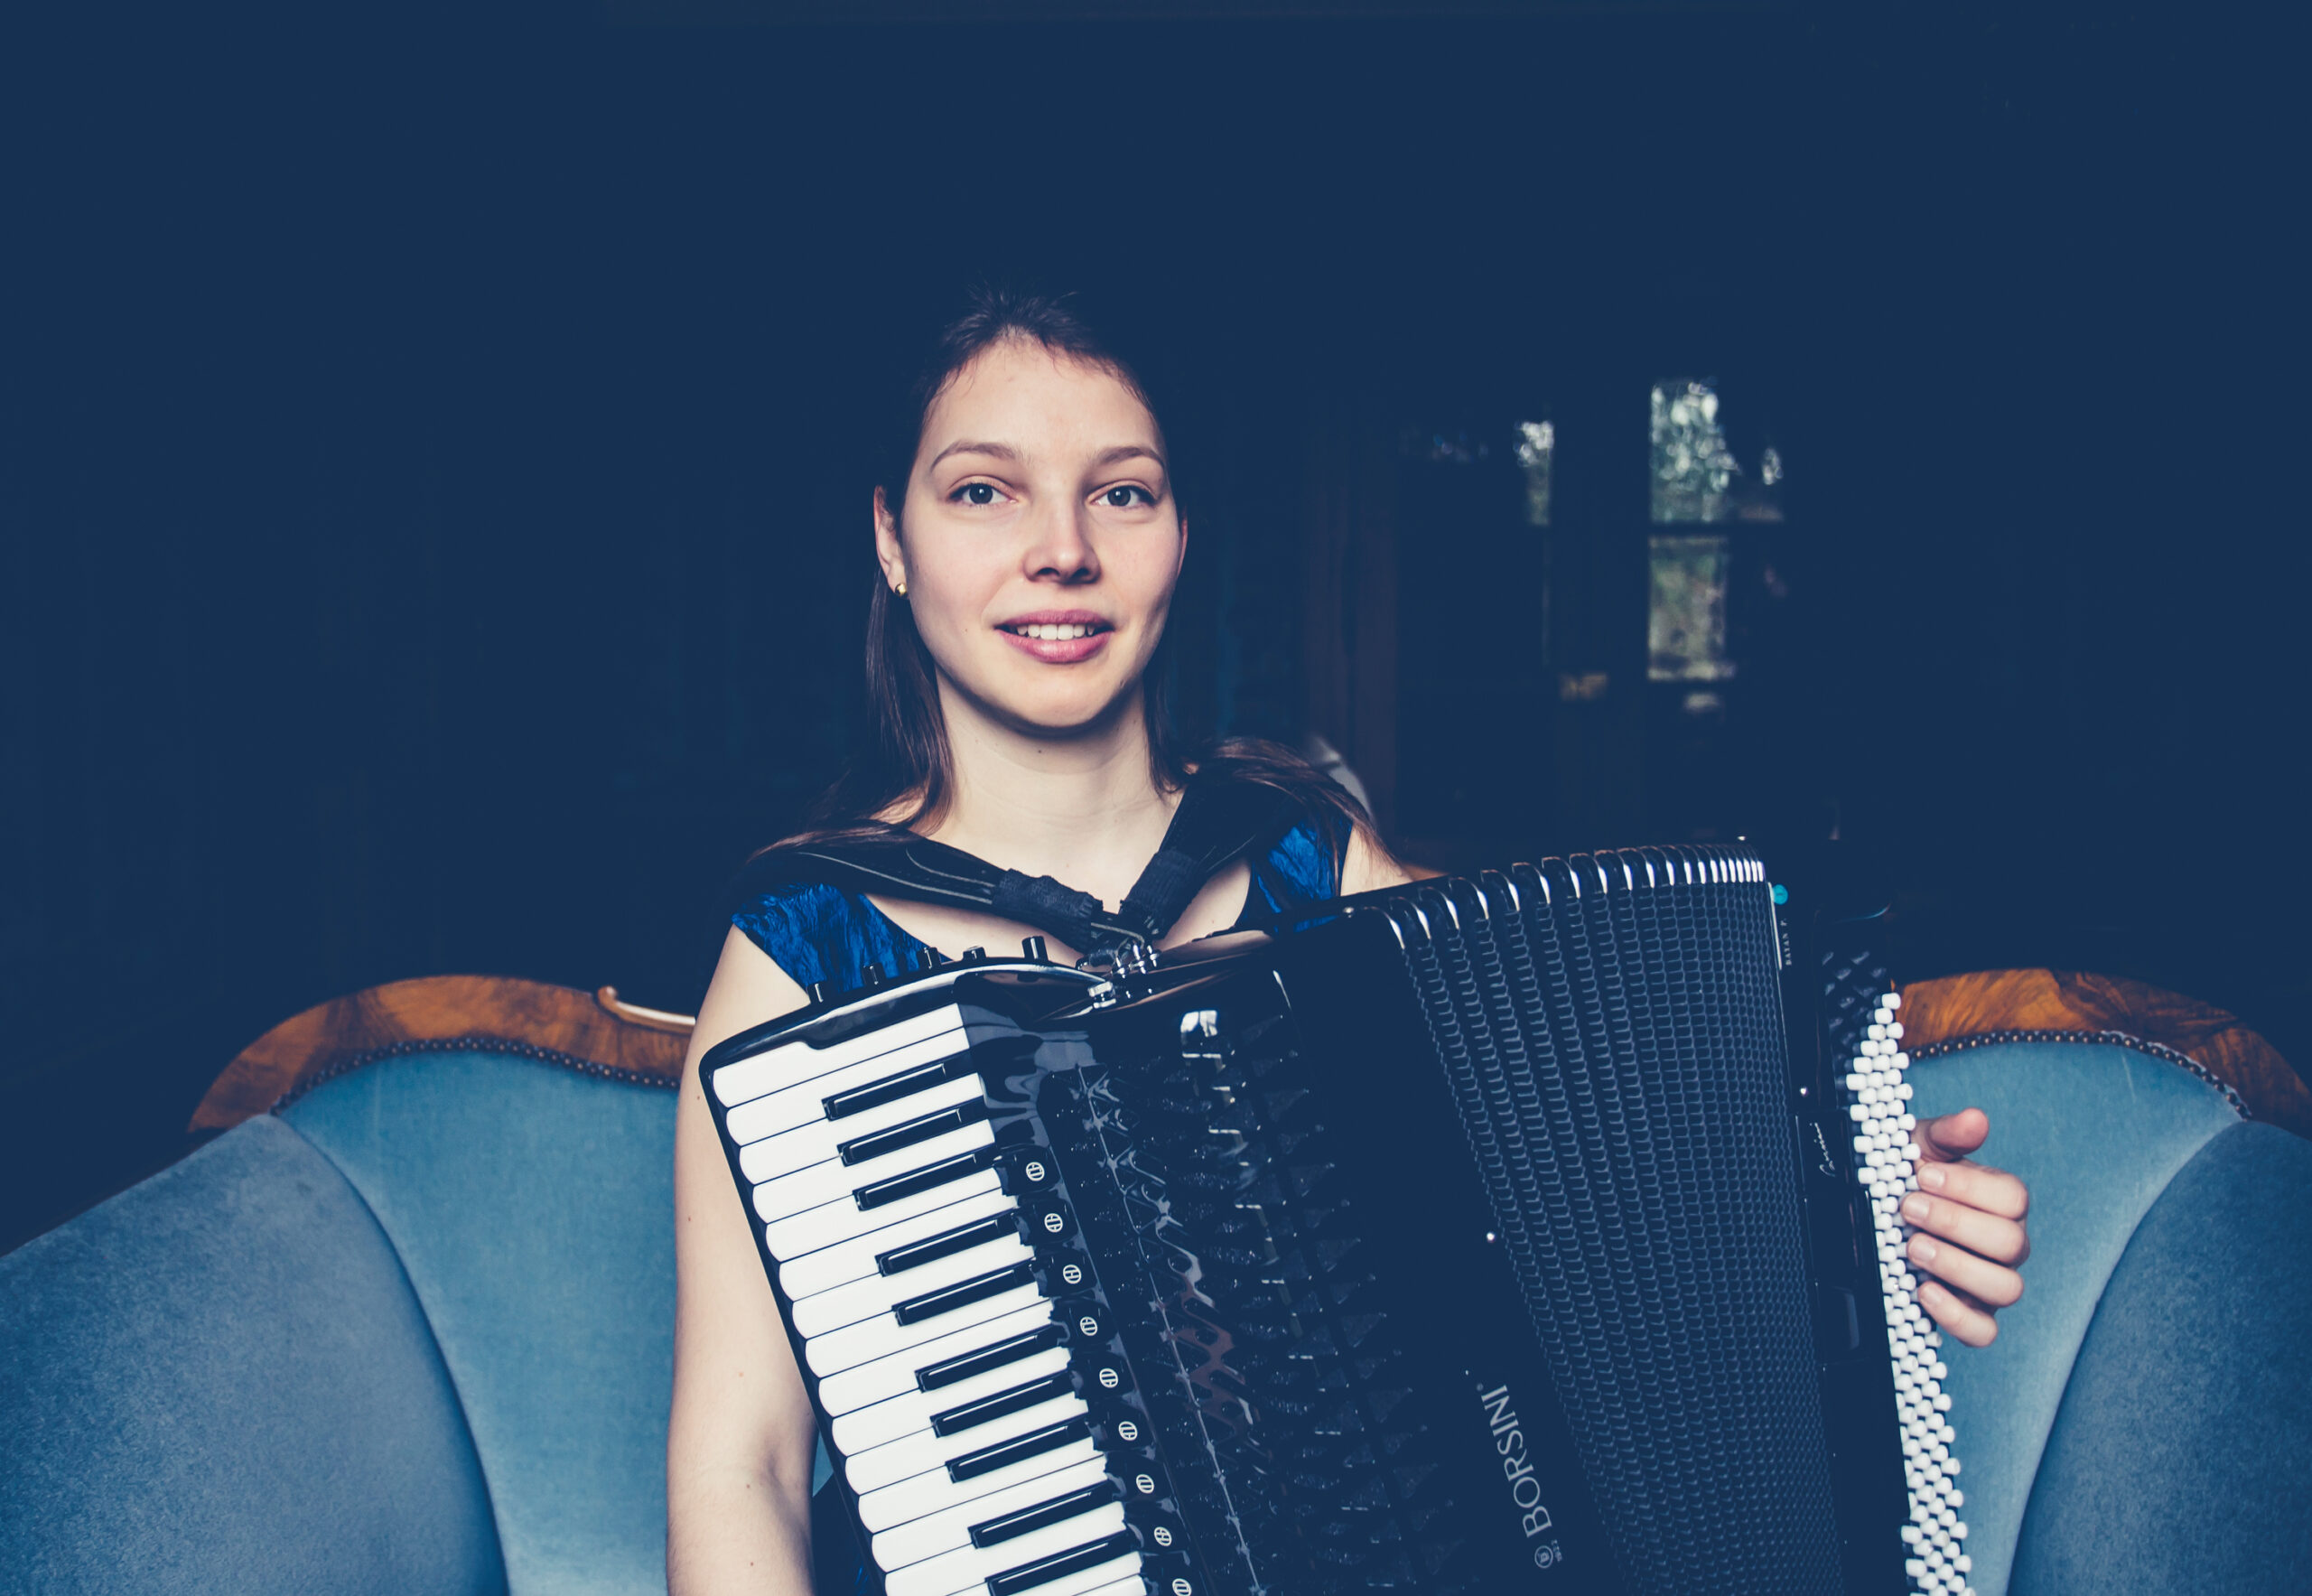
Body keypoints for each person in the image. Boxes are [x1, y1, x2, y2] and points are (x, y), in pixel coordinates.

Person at [665, 287, 2032, 1594]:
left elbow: (1572, 1200)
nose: (1061, 548)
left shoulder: (1314, 861)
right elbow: (744, 1473)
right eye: (983, 491)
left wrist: (1840, 1198)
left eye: (1122, 491)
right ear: (892, 540)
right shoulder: (803, 946)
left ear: (1181, 534)